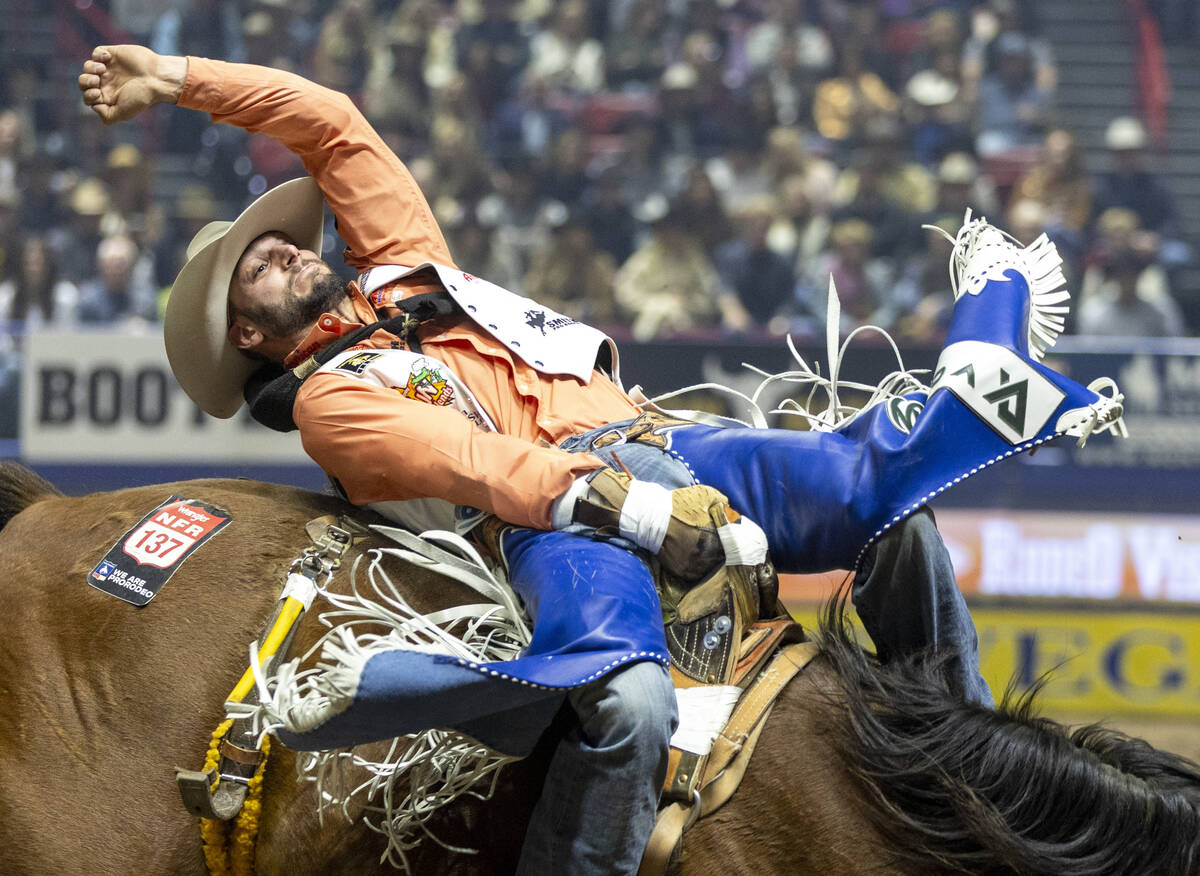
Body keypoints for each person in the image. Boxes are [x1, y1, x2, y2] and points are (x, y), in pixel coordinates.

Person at [79, 45, 1126, 875]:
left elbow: (333, 126)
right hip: (552, 524)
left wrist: (178, 80)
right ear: (251, 339)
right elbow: (477, 463)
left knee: (893, 514)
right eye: (262, 270)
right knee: (627, 708)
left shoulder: (403, 268)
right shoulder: (329, 402)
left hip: (666, 438)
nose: (291, 251)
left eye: (282, 241)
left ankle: (967, 772)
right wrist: (634, 511)